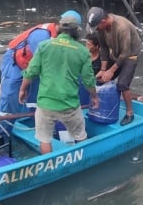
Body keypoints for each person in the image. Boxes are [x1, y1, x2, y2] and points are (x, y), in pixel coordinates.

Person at [19, 11, 99, 154]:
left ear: (60, 28)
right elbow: (88, 80)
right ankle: (83, 160)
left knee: (44, 139)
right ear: (76, 32)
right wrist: (94, 97)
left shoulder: (44, 46)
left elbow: (31, 71)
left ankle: (49, 165)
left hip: (45, 104)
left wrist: (22, 90)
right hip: (70, 105)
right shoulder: (82, 51)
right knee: (80, 136)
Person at [0, 11, 81, 116]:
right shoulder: (42, 35)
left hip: (33, 66)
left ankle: (35, 120)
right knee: (10, 95)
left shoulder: (61, 39)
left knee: (36, 97)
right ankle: (4, 124)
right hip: (15, 63)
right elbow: (40, 64)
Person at [86, 7, 141, 126]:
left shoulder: (122, 27)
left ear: (103, 21)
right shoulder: (101, 29)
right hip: (115, 54)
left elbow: (125, 53)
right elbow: (104, 48)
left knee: (122, 84)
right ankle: (104, 107)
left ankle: (130, 112)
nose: (96, 29)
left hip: (129, 55)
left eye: (97, 26)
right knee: (100, 79)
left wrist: (111, 71)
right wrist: (103, 70)